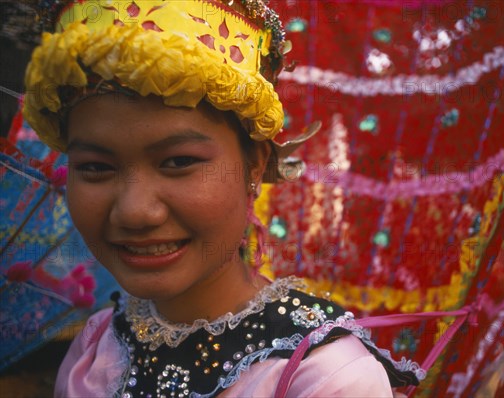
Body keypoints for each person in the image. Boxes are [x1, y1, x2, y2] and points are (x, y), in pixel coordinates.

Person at [23, 1, 425, 396]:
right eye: (95, 168)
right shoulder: (94, 348)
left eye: (178, 161)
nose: (135, 211)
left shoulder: (323, 379)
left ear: (254, 164)